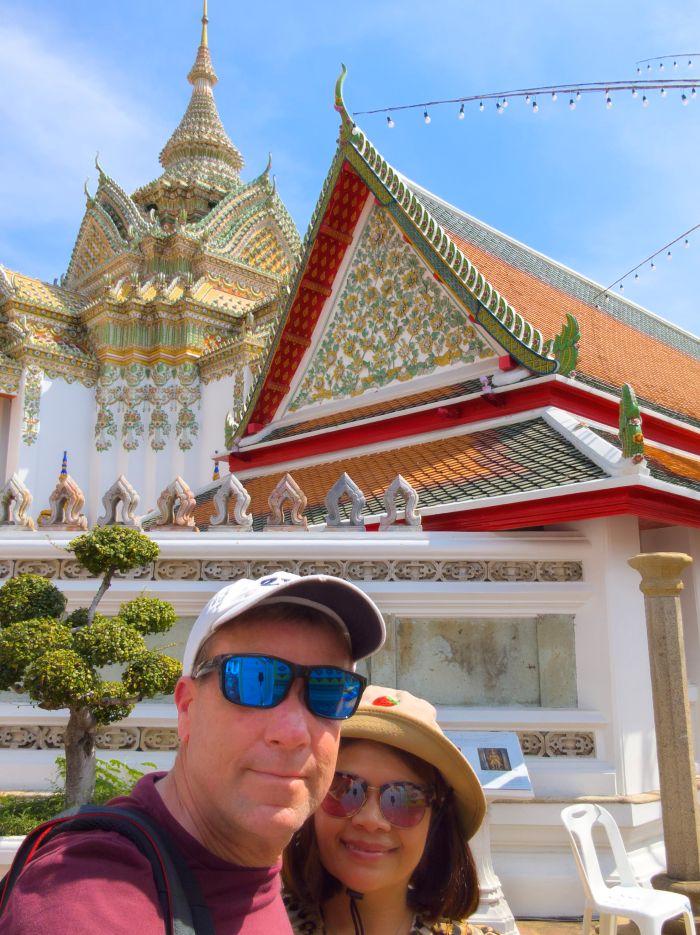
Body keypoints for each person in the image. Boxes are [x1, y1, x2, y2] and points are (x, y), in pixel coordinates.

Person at [0, 571, 386, 935]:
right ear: (187, 708)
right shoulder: (88, 886)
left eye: (329, 690)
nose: (293, 732)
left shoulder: (269, 875)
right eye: (254, 681)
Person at [283, 685, 491, 935]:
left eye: (404, 799)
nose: (371, 820)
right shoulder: (260, 926)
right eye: (345, 790)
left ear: (435, 821)